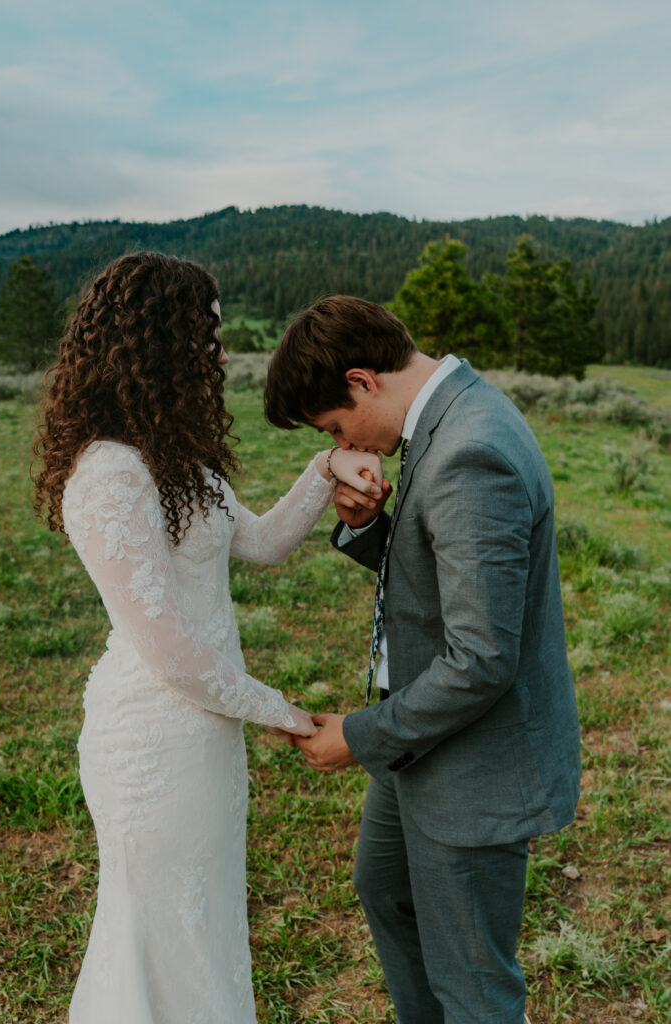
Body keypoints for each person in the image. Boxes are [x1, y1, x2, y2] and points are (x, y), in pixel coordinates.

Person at [33, 254, 384, 1024]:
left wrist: (326, 467)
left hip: (205, 735)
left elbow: (258, 542)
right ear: (155, 341)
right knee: (161, 933)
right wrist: (286, 714)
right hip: (154, 737)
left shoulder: (174, 459)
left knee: (205, 924)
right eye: (208, 334)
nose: (220, 353)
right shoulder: (109, 474)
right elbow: (171, 653)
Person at [264, 295, 581, 1024]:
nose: (349, 444)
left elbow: (481, 658)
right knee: (386, 888)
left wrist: (360, 736)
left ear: (362, 380)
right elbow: (447, 580)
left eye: (336, 426)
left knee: (475, 986)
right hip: (427, 751)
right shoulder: (448, 419)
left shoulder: (469, 451)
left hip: (475, 770)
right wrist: (371, 527)